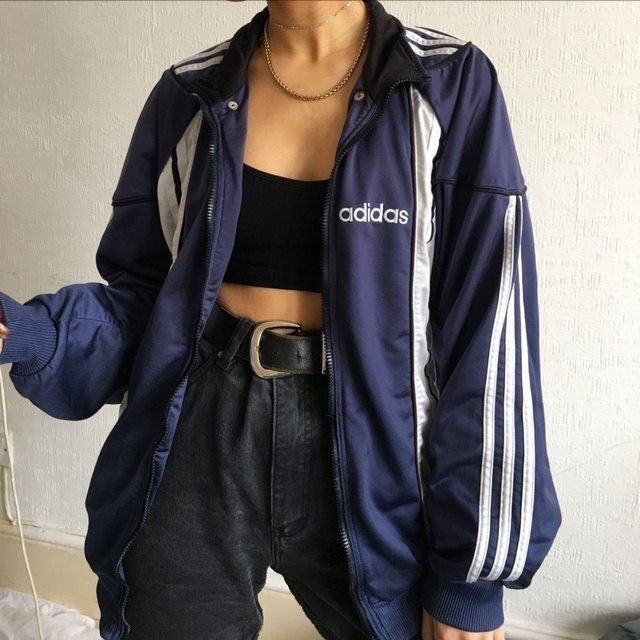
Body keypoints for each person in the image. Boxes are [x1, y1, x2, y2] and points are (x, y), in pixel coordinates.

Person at [0, 1, 562, 639]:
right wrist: (36, 331)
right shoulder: (190, 94)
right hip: (198, 432)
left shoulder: (446, 85)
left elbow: (491, 330)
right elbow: (149, 300)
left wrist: (469, 583)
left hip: (378, 447)